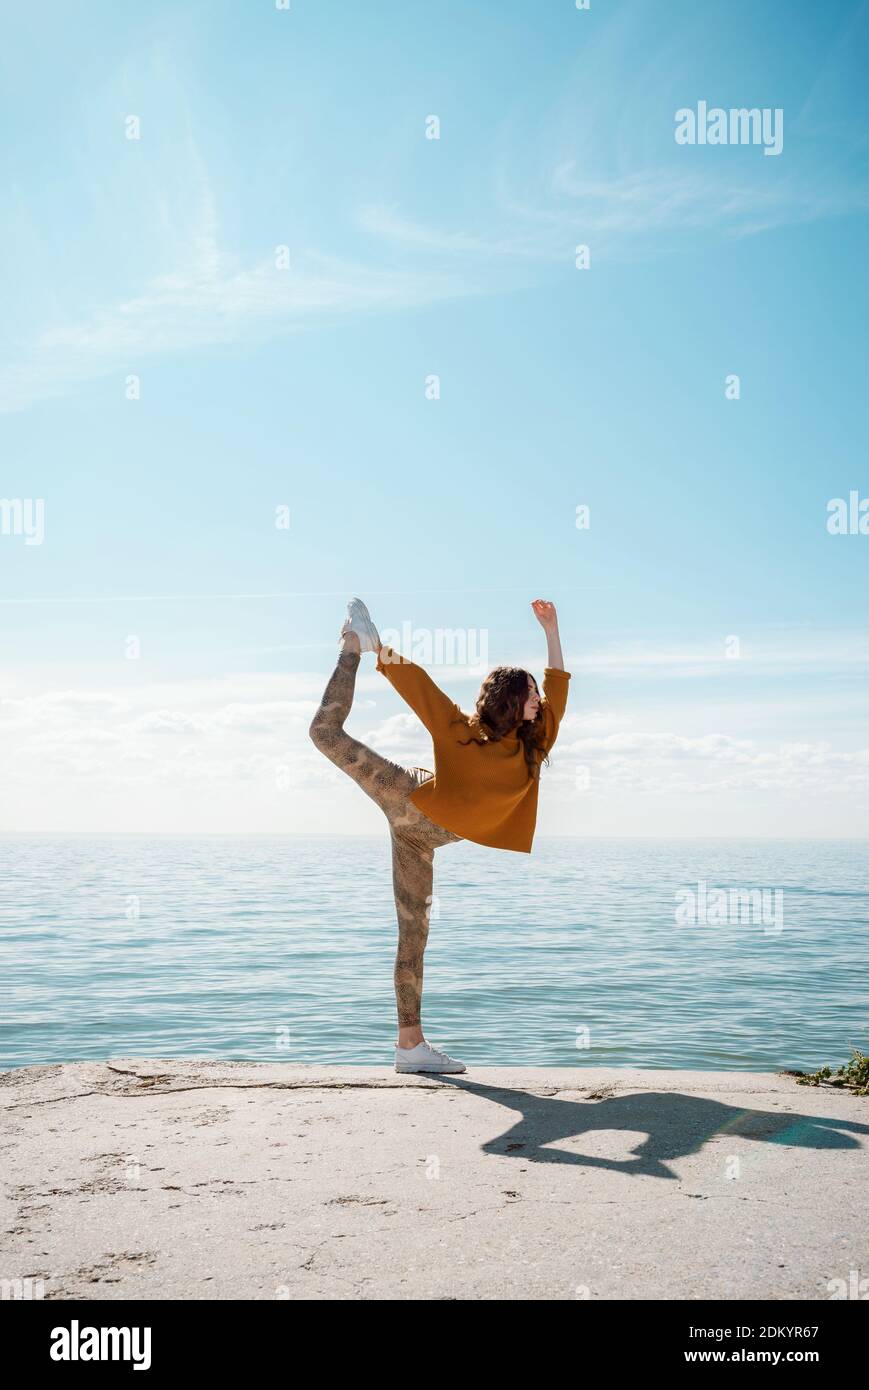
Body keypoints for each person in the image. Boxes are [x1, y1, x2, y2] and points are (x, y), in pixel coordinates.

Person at [309, 598, 570, 1073]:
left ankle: (410, 1048)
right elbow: (421, 689)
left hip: (420, 841)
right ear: (508, 700)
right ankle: (355, 643)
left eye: (536, 693)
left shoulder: (537, 741)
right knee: (324, 733)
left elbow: (559, 683)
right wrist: (377, 652)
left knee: (414, 936)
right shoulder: (461, 733)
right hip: (405, 794)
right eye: (529, 692)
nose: (538, 699)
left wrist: (552, 630)